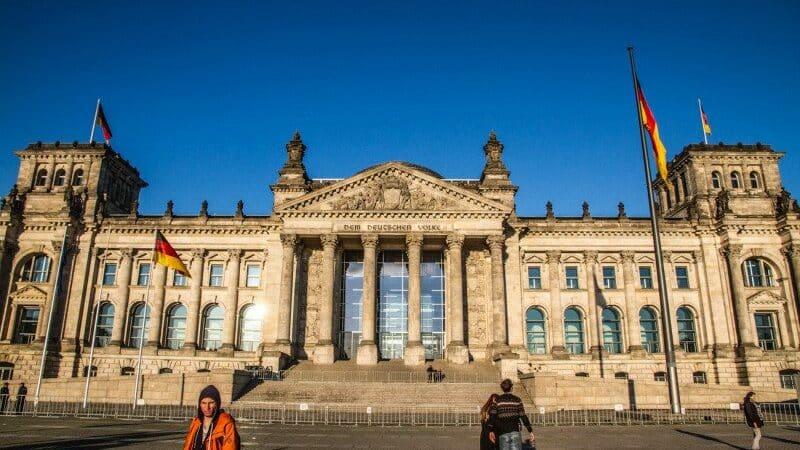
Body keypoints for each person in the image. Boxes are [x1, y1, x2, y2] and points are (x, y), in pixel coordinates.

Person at [183, 385, 241, 450]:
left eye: (211, 403)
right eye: (203, 403)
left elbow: (230, 447)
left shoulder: (226, 423)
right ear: (199, 404)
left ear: (217, 403)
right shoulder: (196, 422)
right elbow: (188, 445)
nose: (207, 407)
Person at [487, 378, 534, 450]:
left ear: (502, 388)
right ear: (511, 388)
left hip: (502, 432)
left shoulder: (497, 400)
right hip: (515, 431)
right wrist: (530, 430)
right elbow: (523, 416)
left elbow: (492, 416)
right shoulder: (517, 399)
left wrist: (490, 430)